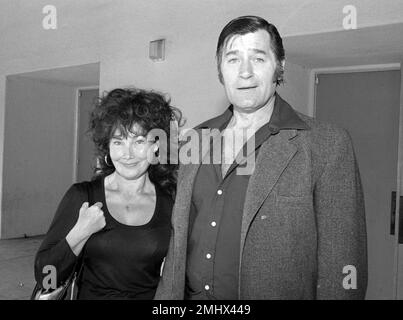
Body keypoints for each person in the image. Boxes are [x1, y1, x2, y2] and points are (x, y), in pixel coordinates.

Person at [155, 15, 367, 300]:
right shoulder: (196, 139)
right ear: (220, 70)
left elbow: (343, 264)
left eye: (258, 58)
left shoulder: (326, 144)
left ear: (279, 66)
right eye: (232, 59)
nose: (245, 73)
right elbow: (178, 240)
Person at [34, 88, 182, 299]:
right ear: (108, 147)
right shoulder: (82, 196)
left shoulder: (171, 203)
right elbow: (45, 275)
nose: (128, 154)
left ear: (156, 145)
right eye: (118, 141)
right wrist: (80, 232)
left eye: (139, 141)